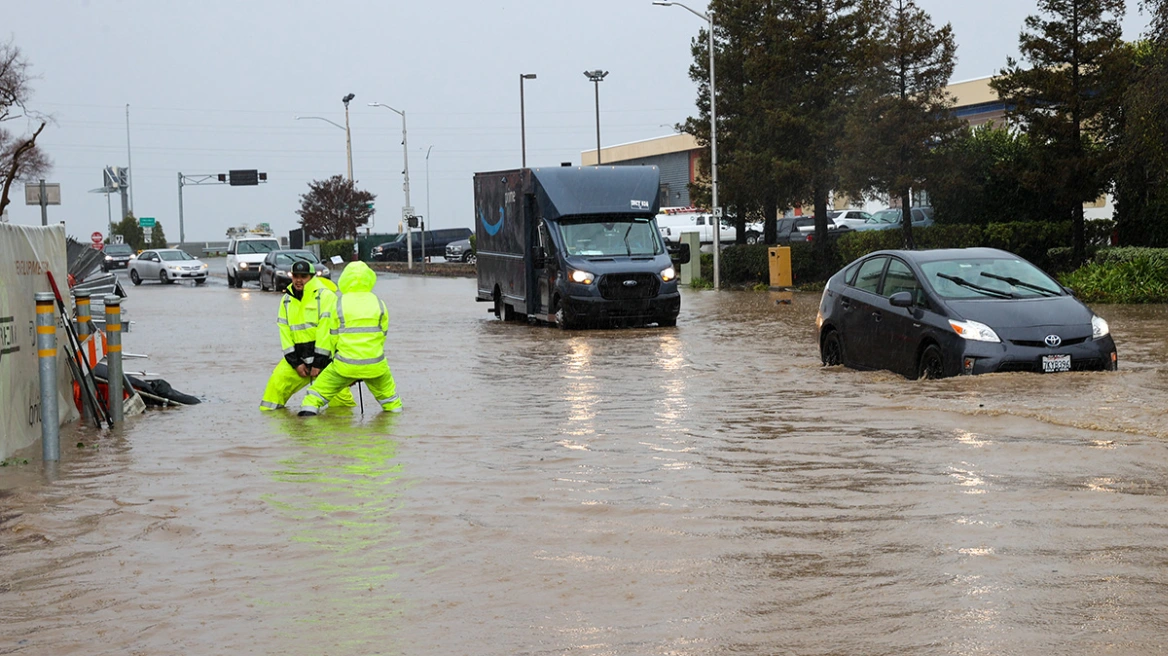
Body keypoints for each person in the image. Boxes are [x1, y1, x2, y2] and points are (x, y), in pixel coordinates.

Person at [298, 261, 402, 416]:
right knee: (391, 400)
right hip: (376, 364)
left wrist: (339, 359)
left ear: (345, 279)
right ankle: (395, 428)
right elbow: (382, 334)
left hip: (344, 364)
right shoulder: (379, 303)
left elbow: (332, 337)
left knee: (314, 396)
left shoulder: (339, 303)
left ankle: (307, 428)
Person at [259, 260, 356, 411]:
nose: (299, 280)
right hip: (298, 360)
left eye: (303, 276)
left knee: (342, 406)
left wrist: (318, 363)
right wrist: (296, 363)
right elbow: (284, 334)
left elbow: (326, 332)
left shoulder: (326, 297)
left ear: (312, 277)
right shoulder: (286, 300)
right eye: (295, 276)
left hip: (326, 362)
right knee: (273, 392)